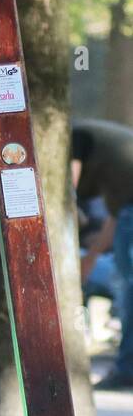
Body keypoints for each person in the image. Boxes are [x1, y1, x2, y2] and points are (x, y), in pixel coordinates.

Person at [73, 117, 133, 389]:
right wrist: (91, 257)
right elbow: (114, 216)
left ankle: (127, 369)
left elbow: (67, 193)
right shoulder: (116, 165)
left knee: (127, 287)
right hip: (125, 211)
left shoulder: (76, 135)